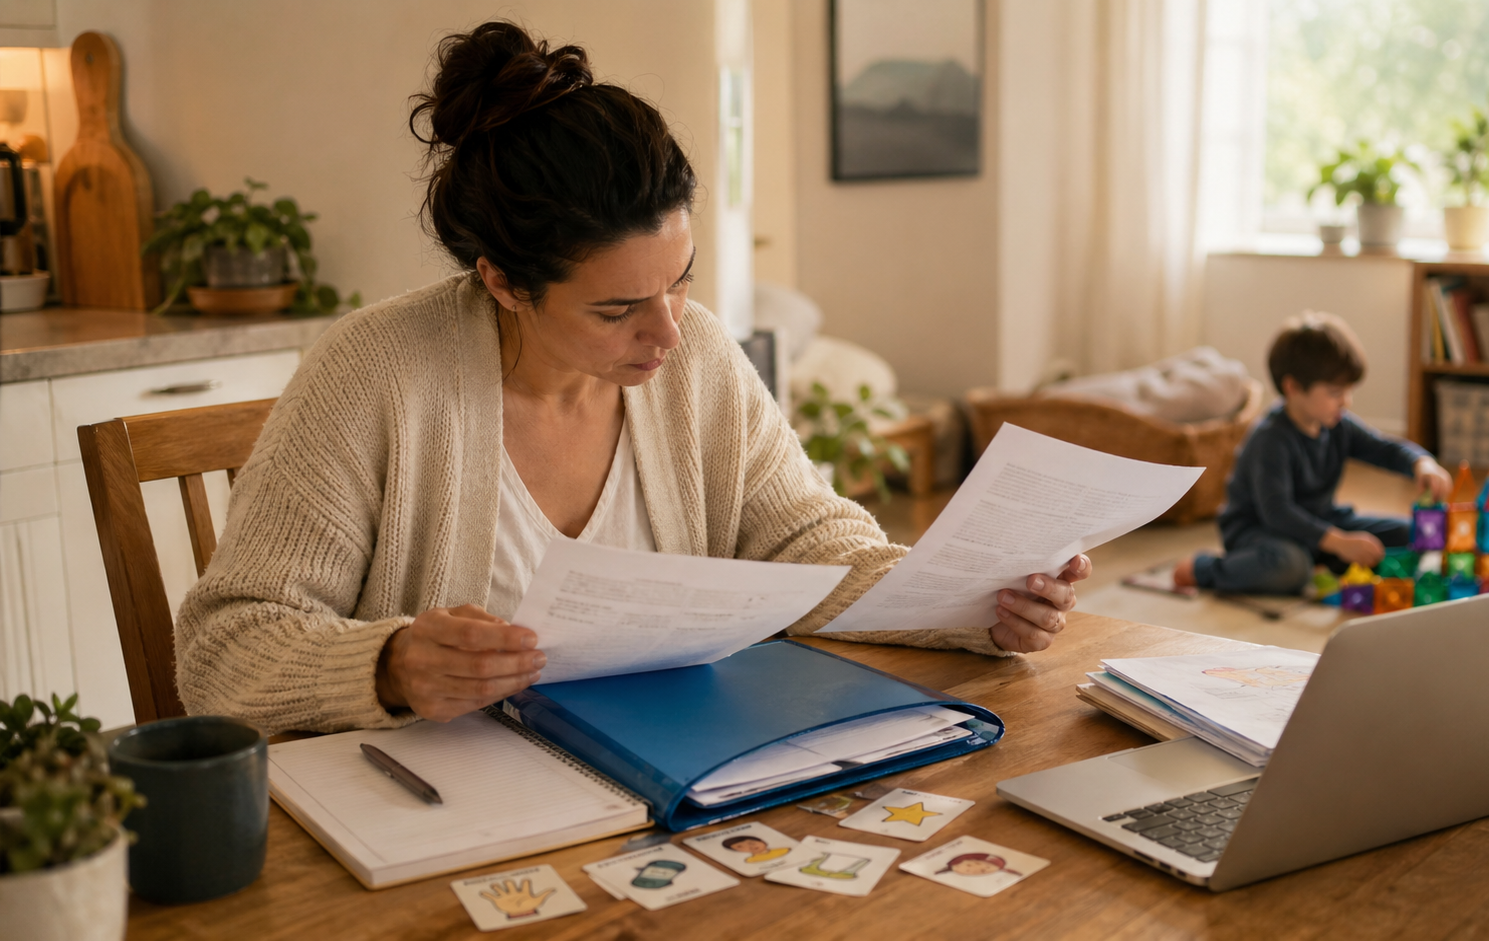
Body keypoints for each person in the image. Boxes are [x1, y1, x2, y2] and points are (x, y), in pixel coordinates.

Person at [174, 21, 1090, 735]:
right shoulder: (372, 373)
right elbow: (225, 647)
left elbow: (811, 547)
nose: (667, 331)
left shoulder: (697, 361)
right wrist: (388, 665)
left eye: (680, 279)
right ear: (502, 279)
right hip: (444, 816)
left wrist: (974, 605)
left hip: (670, 778)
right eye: (616, 311)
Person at [1176, 311, 1450, 595]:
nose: (1346, 401)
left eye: (1348, 390)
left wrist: (1423, 463)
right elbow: (1277, 513)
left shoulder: (1336, 424)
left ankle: (1323, 558)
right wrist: (1341, 542)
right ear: (1292, 387)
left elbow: (1385, 448)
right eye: (1335, 392)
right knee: (1291, 566)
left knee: (1411, 534)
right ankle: (1205, 568)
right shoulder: (1270, 439)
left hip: (1322, 524)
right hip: (1262, 532)